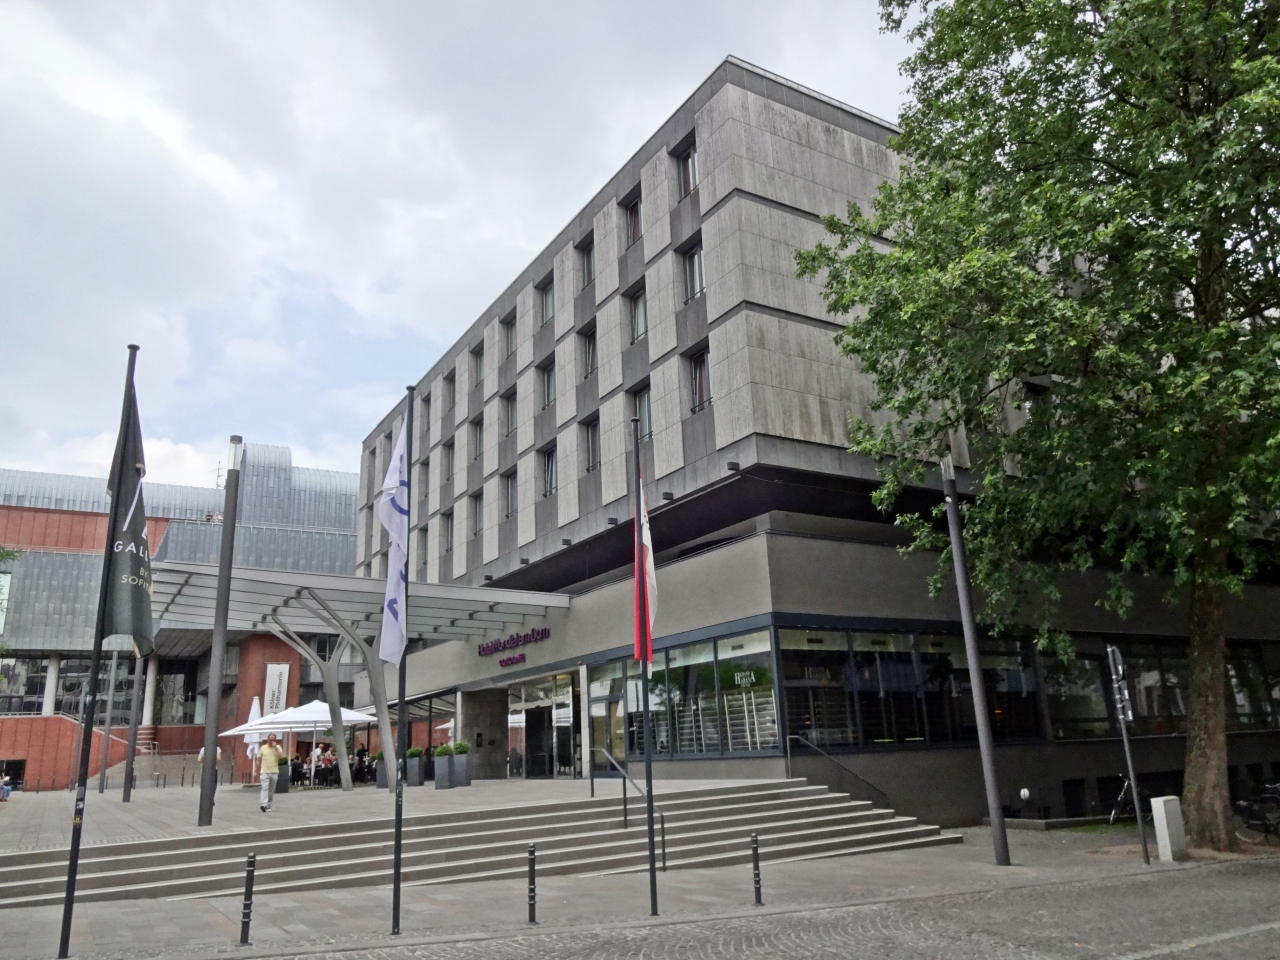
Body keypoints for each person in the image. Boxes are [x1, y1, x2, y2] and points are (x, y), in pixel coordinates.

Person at [258, 733, 286, 812]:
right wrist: (256, 770)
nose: (271, 742)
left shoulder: (278, 747)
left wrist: (275, 747)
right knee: (264, 788)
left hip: (274, 772)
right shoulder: (263, 748)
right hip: (264, 771)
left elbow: (282, 756)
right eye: (270, 740)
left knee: (271, 790)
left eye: (273, 740)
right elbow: (258, 759)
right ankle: (263, 804)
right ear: (267, 740)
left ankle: (268, 804)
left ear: (275, 740)